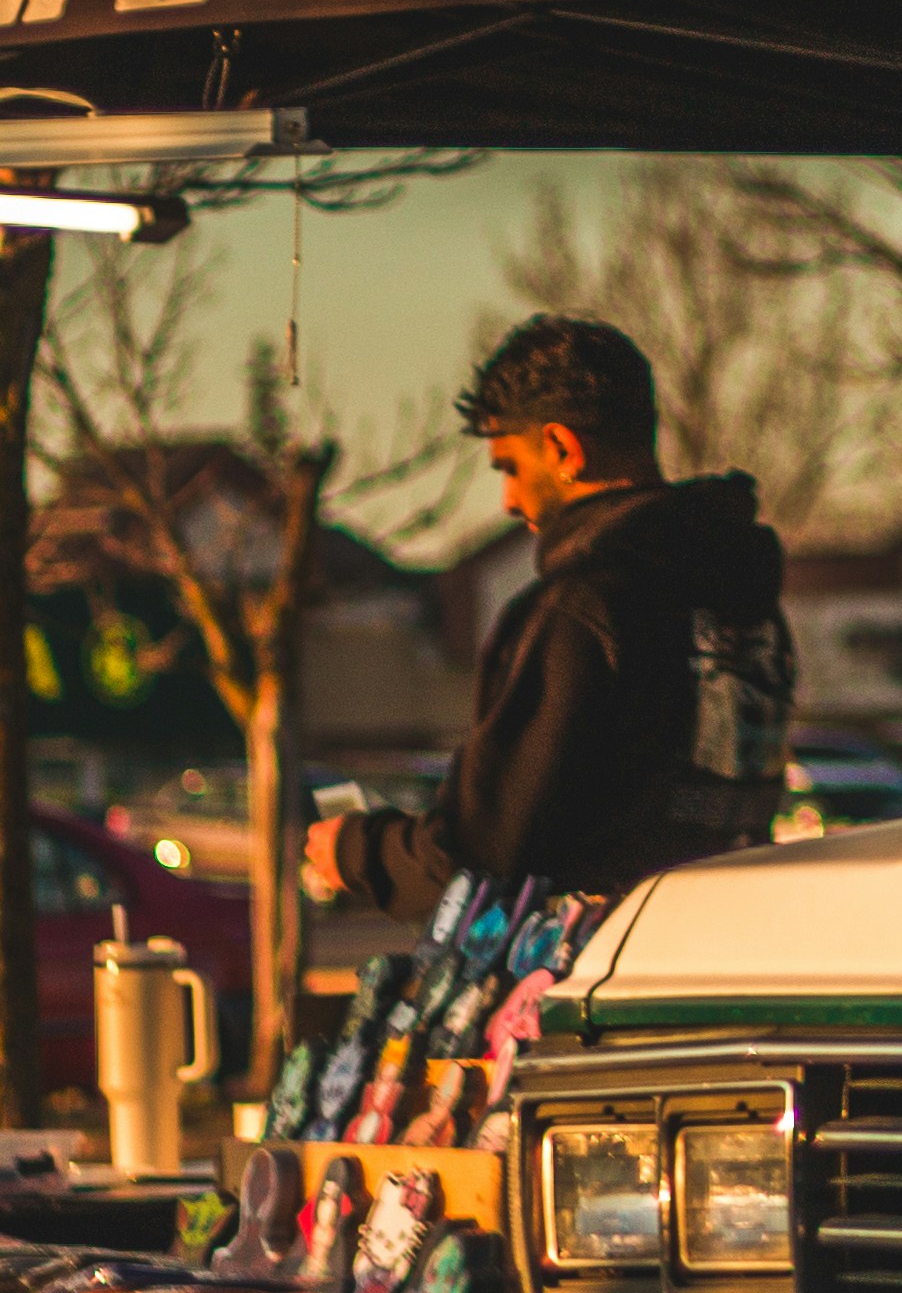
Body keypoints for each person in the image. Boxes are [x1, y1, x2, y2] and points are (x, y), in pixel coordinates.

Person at [305, 314, 796, 924]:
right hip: (731, 942)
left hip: (599, 974)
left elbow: (478, 858)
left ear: (563, 449)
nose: (510, 502)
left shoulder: (583, 612)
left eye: (510, 467)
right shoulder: (748, 601)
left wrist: (355, 850)